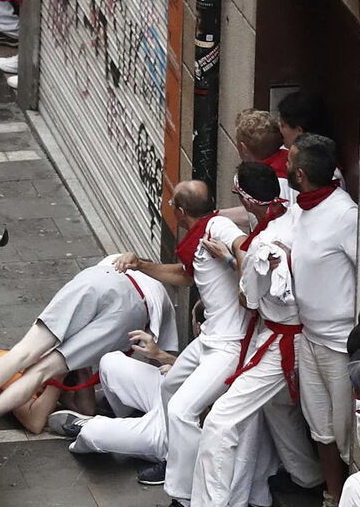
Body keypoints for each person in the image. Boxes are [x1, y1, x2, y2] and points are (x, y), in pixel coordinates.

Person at [0, 253, 177, 467]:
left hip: (96, 278)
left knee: (21, 352)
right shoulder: (162, 300)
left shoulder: (121, 260)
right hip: (132, 309)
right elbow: (164, 366)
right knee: (43, 371)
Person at [191, 163, 322, 507]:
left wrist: (232, 261)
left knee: (220, 420)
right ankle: (307, 477)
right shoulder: (298, 214)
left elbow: (247, 298)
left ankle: (211, 502)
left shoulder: (263, 243)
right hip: (306, 335)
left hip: (280, 342)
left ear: (247, 200)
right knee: (279, 408)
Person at [114, 180, 252, 507]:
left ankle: (184, 495)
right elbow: (184, 274)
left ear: (178, 212)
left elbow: (244, 246)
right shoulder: (199, 235)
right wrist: (140, 265)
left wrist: (241, 276)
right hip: (209, 337)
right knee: (169, 387)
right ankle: (173, 459)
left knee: (181, 412)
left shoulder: (218, 226)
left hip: (229, 344)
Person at [287, 133, 358, 507]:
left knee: (349, 436)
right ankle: (332, 497)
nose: (285, 165)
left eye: (289, 161)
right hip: (309, 337)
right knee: (321, 430)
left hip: (340, 345)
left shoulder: (345, 215)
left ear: (300, 174)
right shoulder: (301, 207)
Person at [51, 329, 176, 469]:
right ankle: (130, 421)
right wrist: (161, 355)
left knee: (92, 433)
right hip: (172, 389)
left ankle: (97, 426)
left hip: (173, 426)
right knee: (110, 361)